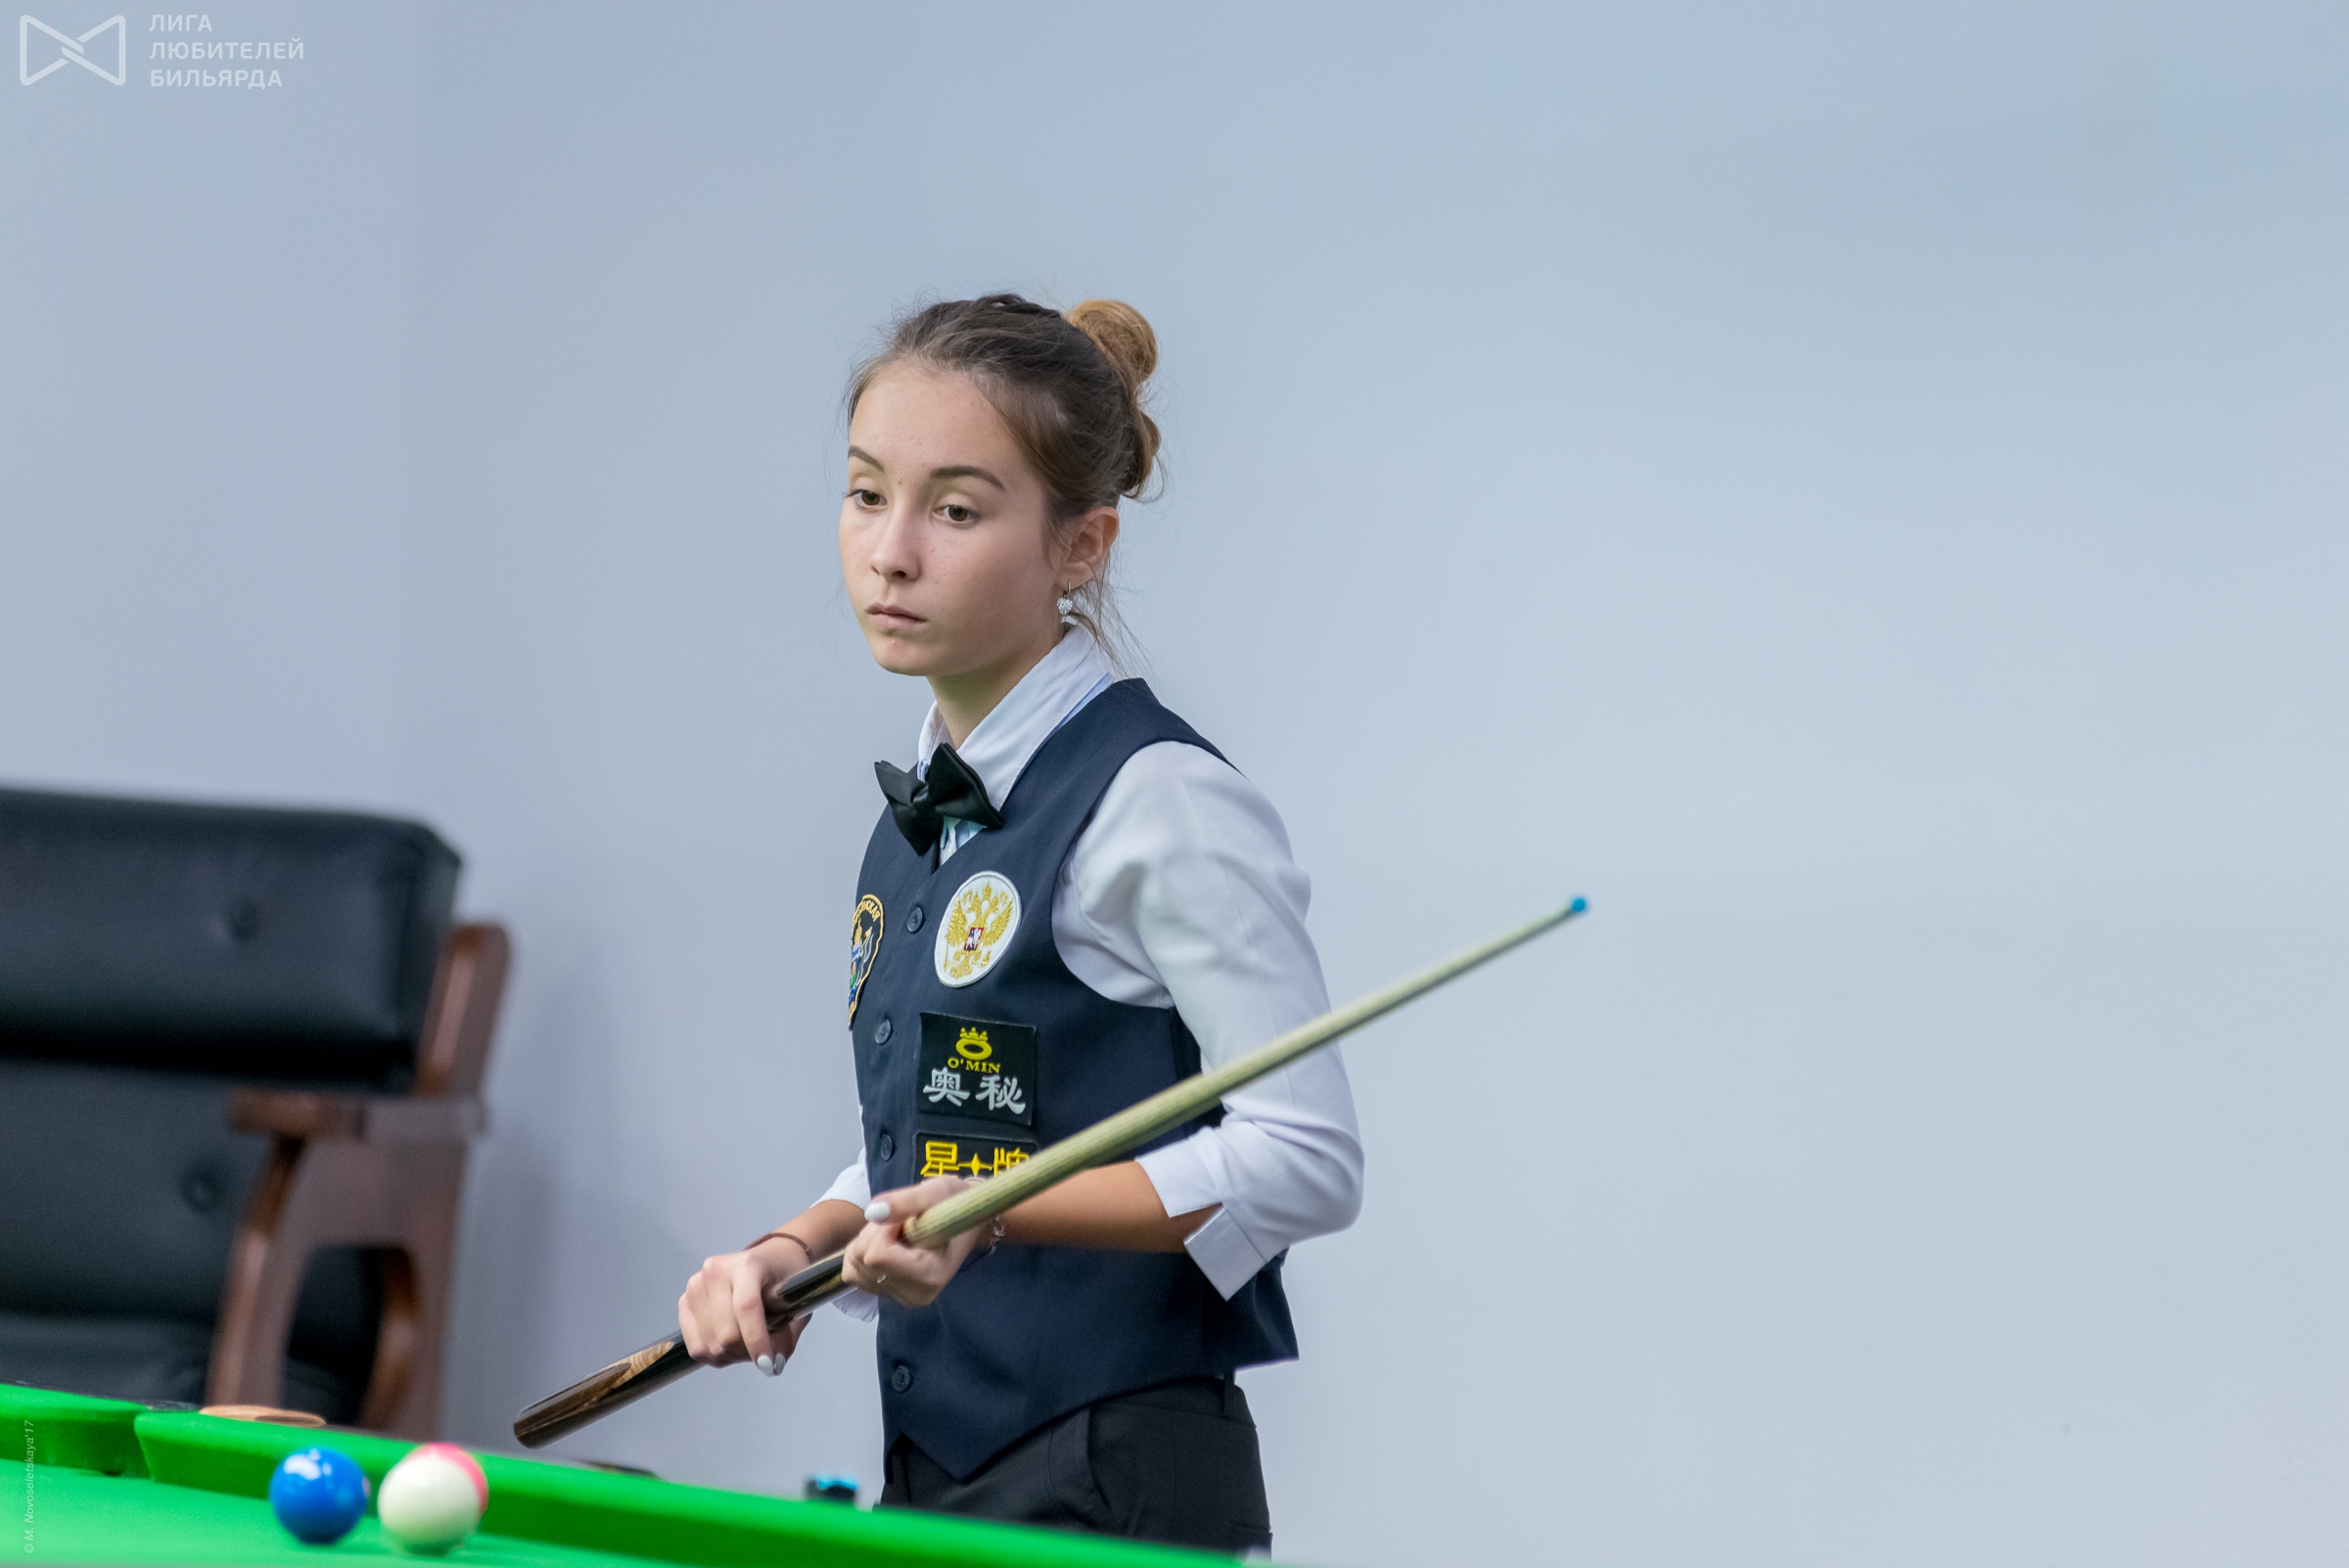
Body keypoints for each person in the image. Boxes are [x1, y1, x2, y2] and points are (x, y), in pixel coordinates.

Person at [677, 294, 1362, 1554]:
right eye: (866, 494)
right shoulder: (927, 808)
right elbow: (952, 1137)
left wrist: (997, 1211)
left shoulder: (1160, 800)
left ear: (1081, 545)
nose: (890, 553)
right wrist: (797, 1247)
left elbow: (1306, 1159)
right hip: (941, 1474)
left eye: (956, 510)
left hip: (1114, 1483)